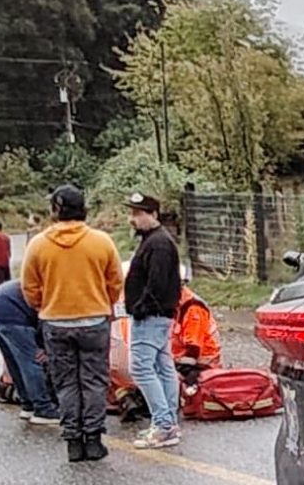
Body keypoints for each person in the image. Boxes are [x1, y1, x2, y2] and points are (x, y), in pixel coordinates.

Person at [21, 185, 124, 462]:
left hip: (55, 322)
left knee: (65, 382)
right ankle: (94, 439)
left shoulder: (38, 244)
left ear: (55, 210)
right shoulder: (101, 242)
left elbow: (29, 287)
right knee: (94, 381)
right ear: (84, 208)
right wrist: (105, 301)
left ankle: (73, 442)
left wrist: (44, 305)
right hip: (94, 320)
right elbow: (115, 281)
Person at [120, 192, 185, 450]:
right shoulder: (156, 241)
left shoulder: (157, 244)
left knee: (141, 368)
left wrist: (141, 307)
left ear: (154, 214)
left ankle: (163, 424)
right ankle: (168, 421)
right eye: (132, 213)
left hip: (151, 316)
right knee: (162, 366)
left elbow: (156, 282)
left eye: (138, 213)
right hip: (158, 315)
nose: (133, 219)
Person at [0, 279, 61, 427]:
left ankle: (28, 404)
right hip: (11, 312)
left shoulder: (51, 281)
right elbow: (46, 320)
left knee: (15, 361)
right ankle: (43, 410)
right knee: (32, 361)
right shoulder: (59, 291)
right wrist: (44, 348)